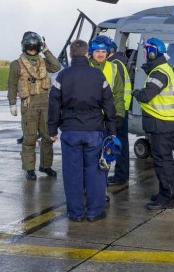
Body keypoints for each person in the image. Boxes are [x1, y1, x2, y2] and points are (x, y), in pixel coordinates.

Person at [48, 39, 117, 222]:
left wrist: (52, 129)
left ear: (71, 55)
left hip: (70, 131)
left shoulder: (62, 76)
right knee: (95, 172)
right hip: (94, 130)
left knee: (72, 173)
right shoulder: (98, 75)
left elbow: (54, 104)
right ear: (87, 54)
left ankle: (75, 213)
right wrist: (112, 130)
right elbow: (108, 104)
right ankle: (95, 211)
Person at [132, 38, 174, 210]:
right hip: (162, 123)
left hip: (162, 123)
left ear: (153, 52)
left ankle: (167, 198)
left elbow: (146, 95)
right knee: (162, 161)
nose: (144, 54)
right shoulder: (161, 69)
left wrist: (135, 93)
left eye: (146, 51)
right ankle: (164, 193)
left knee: (163, 162)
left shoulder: (159, 73)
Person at [8, 32, 62, 180]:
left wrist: (46, 50)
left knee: (48, 137)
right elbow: (12, 85)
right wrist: (12, 103)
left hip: (45, 104)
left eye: (35, 47)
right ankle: (29, 168)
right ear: (24, 46)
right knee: (29, 138)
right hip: (29, 105)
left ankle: (46, 165)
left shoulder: (44, 62)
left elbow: (56, 66)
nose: (32, 49)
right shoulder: (16, 64)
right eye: (29, 46)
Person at [87, 36, 126, 183]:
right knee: (90, 157)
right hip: (90, 120)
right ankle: (88, 187)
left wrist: (120, 115)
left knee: (106, 156)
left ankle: (101, 189)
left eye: (103, 51)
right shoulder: (85, 68)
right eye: (97, 51)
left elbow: (118, 95)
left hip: (107, 121)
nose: (101, 54)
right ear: (91, 52)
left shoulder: (113, 68)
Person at [105, 38, 132, 186]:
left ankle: (120, 175)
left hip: (118, 111)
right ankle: (122, 175)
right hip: (123, 109)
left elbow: (116, 90)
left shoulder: (114, 65)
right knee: (122, 142)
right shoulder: (120, 62)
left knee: (116, 143)